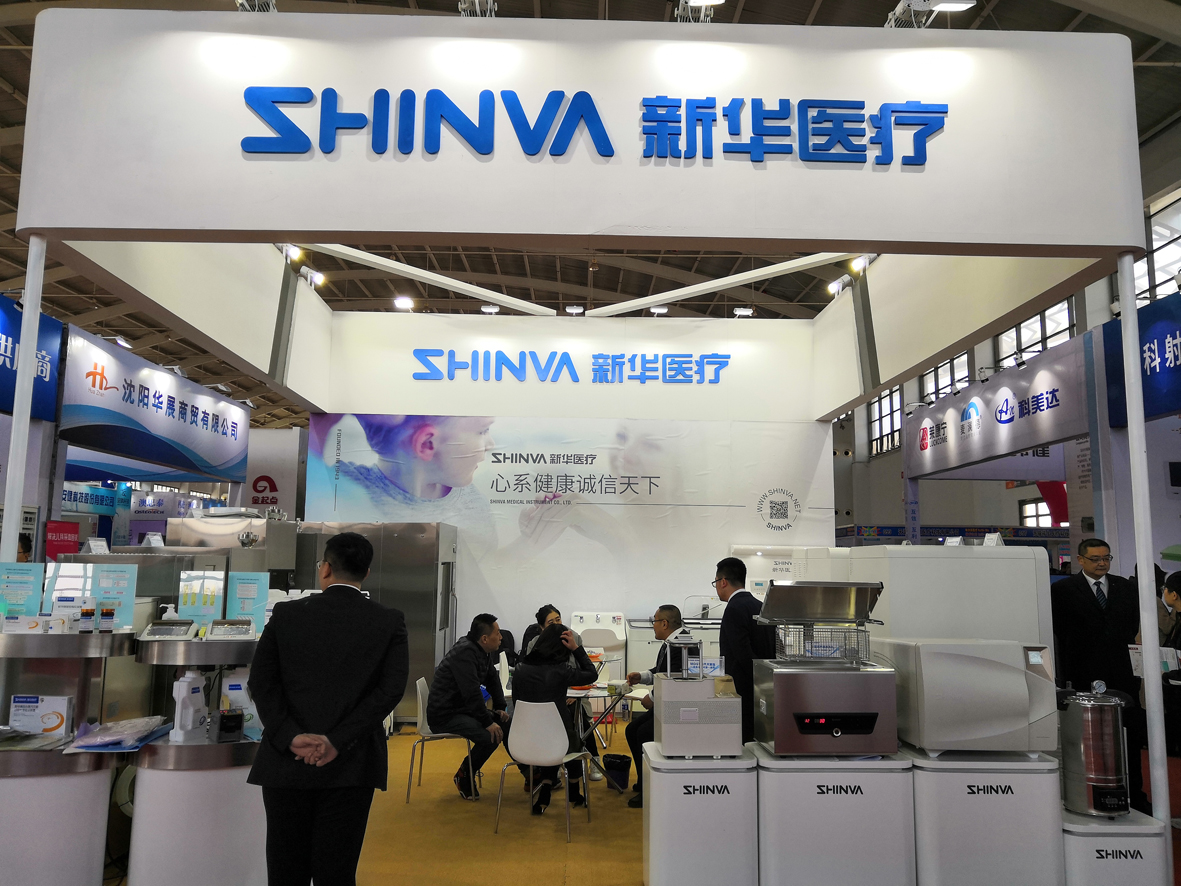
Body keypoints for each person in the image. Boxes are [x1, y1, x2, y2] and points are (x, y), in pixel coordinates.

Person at [248, 532, 409, 886]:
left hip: (286, 764)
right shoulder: (388, 621)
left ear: (325, 569)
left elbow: (261, 683)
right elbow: (390, 691)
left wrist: (290, 736)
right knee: (336, 871)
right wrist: (337, 740)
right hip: (352, 764)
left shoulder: (287, 614)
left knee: (285, 870)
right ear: (366, 572)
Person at [1051, 538, 1149, 813]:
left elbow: (1132, 624)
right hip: (1081, 671)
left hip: (1122, 672)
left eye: (1106, 558)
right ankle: (1085, 793)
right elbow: (1060, 631)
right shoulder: (1063, 590)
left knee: (1128, 734)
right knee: (1086, 737)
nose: (1102, 563)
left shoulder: (1125, 588)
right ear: (1080, 560)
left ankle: (1135, 795)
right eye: (1095, 559)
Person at [510, 622, 598, 814]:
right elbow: (592, 674)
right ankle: (573, 792)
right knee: (570, 739)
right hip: (557, 741)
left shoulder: (520, 669)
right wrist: (577, 649)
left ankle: (545, 791)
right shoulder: (561, 670)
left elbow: (516, 704)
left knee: (552, 737)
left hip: (524, 740)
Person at [428, 613, 511, 801]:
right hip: (444, 714)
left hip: (462, 709)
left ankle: (531, 775)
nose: (501, 637)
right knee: (491, 735)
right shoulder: (465, 653)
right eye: (497, 633)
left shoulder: (482, 651)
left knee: (506, 724)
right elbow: (472, 693)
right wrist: (488, 722)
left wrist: (500, 707)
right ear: (484, 638)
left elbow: (492, 679)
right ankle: (464, 775)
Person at [624, 604, 691, 809]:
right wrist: (642, 677)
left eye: (654, 621)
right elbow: (661, 671)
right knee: (632, 729)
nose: (652, 625)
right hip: (666, 704)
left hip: (676, 709)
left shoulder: (682, 645)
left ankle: (649, 788)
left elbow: (675, 679)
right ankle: (644, 780)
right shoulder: (672, 642)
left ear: (664, 623)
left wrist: (652, 698)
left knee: (643, 733)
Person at [715, 556, 775, 744]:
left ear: (723, 582)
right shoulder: (761, 606)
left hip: (742, 689)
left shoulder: (734, 608)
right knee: (759, 741)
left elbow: (742, 653)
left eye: (715, 582)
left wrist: (755, 680)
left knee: (741, 743)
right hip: (764, 688)